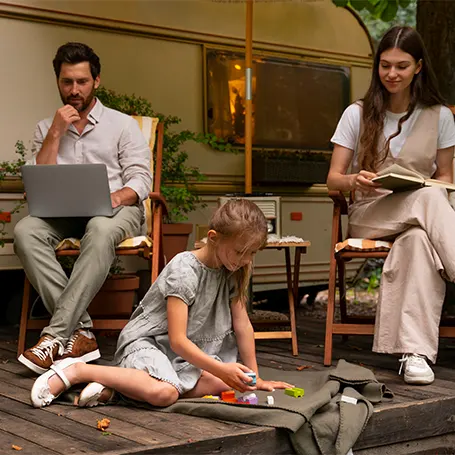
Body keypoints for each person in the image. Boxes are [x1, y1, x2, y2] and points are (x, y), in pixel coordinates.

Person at [30, 199, 293, 408]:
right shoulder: (184, 269)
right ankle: (79, 371)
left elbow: (242, 324)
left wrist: (253, 379)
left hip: (186, 357)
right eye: (240, 252)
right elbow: (177, 340)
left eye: (252, 254)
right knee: (166, 393)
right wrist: (222, 369)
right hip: (151, 344)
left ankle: (116, 391)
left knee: (227, 386)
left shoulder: (232, 268)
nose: (246, 260)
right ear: (213, 237)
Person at [14, 42, 152, 375]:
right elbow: (39, 180)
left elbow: (141, 178)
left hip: (117, 211)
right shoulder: (47, 127)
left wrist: (114, 198)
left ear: (96, 81)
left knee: (100, 228)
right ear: (58, 82)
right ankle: (82, 331)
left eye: (82, 82)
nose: (74, 90)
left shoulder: (122, 125)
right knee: (24, 231)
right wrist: (56, 131)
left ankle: (56, 335)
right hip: (63, 214)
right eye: (67, 82)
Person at [327, 26, 455, 385]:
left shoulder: (440, 116)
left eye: (401, 66)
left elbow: (446, 176)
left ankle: (414, 355)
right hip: (371, 213)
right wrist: (355, 180)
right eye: (385, 65)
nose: (392, 74)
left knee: (417, 239)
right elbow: (332, 178)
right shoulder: (357, 113)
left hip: (419, 216)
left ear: (418, 67)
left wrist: (425, 185)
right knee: (429, 199)